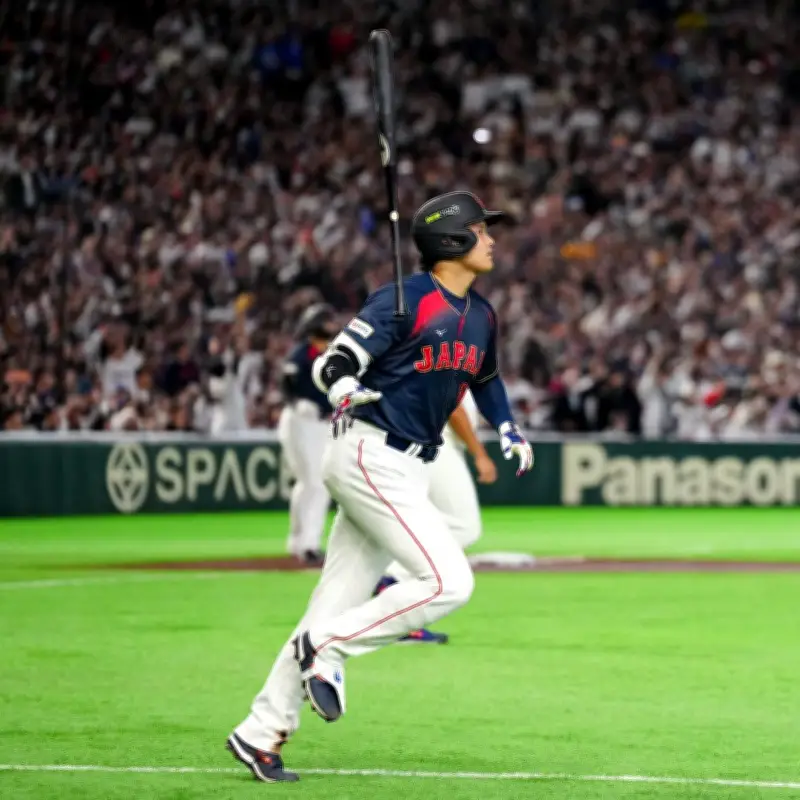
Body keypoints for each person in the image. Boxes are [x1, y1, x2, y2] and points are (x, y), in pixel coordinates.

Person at [227, 191, 534, 783]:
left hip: (409, 464)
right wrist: (343, 387)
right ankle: (327, 648)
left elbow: (487, 379)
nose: (492, 239)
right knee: (448, 581)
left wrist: (508, 427)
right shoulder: (403, 298)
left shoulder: (482, 314)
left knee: (331, 606)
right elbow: (334, 360)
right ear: (451, 240)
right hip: (370, 452)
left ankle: (260, 732)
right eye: (480, 229)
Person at [376, 388, 498, 644]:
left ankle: (397, 610)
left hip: (418, 438)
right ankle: (392, 579)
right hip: (437, 442)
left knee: (424, 522)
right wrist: (479, 452)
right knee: (464, 526)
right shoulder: (455, 358)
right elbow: (452, 404)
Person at [278, 303, 338, 567]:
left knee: (310, 483)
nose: (330, 326)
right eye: (325, 322)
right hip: (301, 420)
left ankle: (299, 542)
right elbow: (286, 385)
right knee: (315, 482)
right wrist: (294, 401)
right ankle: (309, 544)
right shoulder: (301, 354)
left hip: (321, 423)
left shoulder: (331, 354)